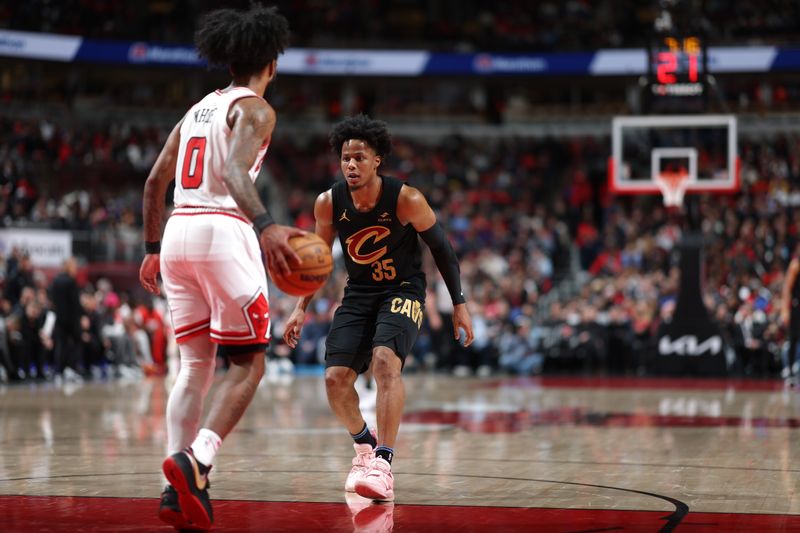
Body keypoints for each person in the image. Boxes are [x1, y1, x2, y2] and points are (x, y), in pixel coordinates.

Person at [138, 5, 301, 530]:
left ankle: (173, 489)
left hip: (178, 232)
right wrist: (268, 226)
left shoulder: (198, 109)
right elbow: (234, 172)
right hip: (222, 230)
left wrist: (150, 247)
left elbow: (153, 183)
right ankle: (198, 459)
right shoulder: (255, 109)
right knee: (250, 363)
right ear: (270, 62)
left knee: (193, 368)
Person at [283, 115, 474, 501]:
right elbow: (319, 259)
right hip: (359, 292)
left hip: (403, 289)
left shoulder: (407, 198)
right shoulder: (328, 203)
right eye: (345, 158)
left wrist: (459, 303)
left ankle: (384, 463)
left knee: (386, 361)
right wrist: (299, 307)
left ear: (377, 161)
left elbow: (442, 249)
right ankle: (364, 446)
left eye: (359, 157)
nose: (351, 164)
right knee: (335, 379)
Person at [781, 248, 800, 385]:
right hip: (796, 307)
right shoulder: (795, 265)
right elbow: (787, 288)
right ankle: (790, 369)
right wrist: (785, 310)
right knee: (793, 338)